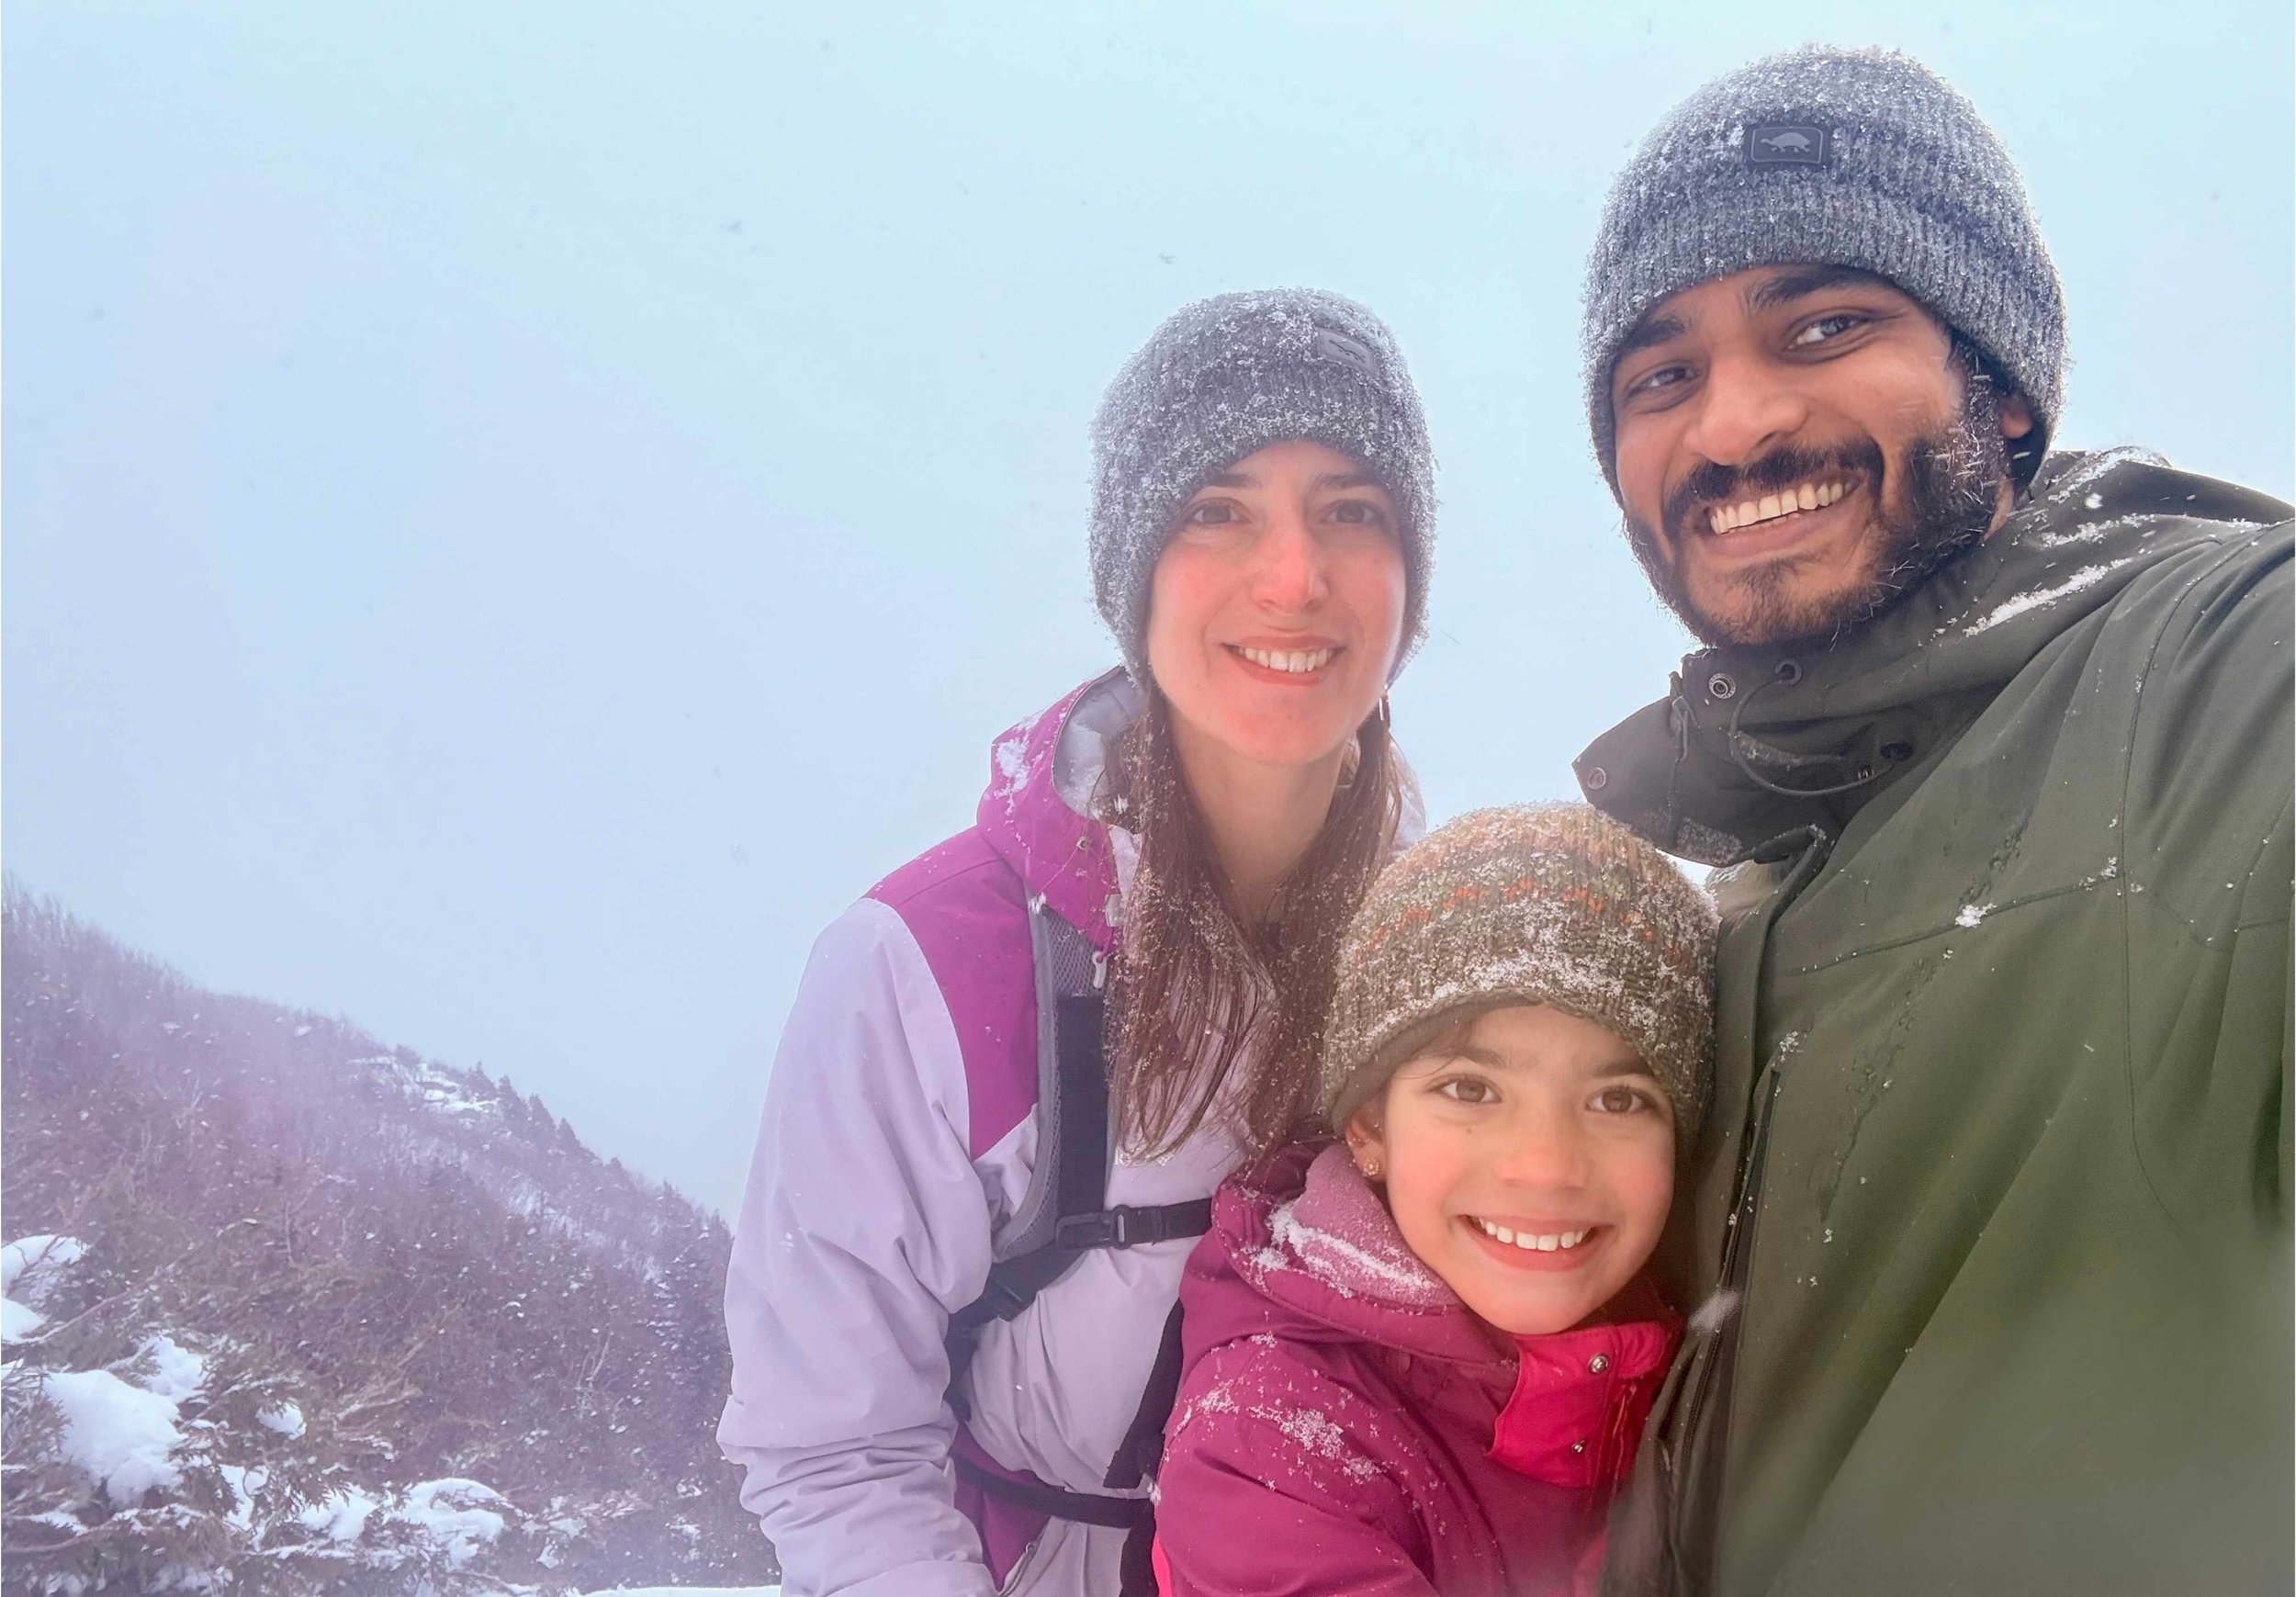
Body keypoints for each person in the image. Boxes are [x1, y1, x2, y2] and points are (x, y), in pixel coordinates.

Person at [1570, 45, 2293, 1597]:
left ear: (2005, 386)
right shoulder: (1741, 897)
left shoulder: (2226, 677)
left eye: (1827, 324)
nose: (1736, 424)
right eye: (1660, 375)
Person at [717, 287, 1437, 1597]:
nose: (1294, 572)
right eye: (1217, 509)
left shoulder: (1444, 954)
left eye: (1352, 509)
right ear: (1132, 574)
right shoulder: (928, 965)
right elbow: (833, 1451)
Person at [1153, 803, 1718, 1597]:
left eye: (1619, 1100)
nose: (1545, 1165)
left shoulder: (1704, 1348)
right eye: (1470, 1088)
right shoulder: (1268, 1443)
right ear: (1369, 1125)